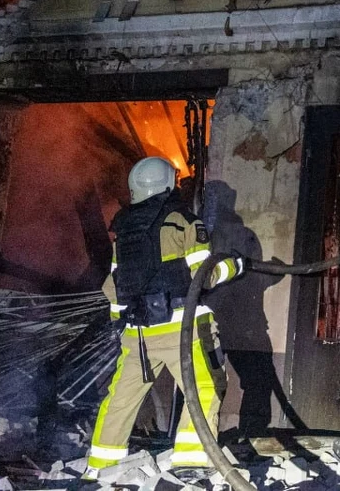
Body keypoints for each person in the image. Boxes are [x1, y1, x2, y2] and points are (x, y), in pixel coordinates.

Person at [85, 157, 243, 480]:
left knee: (121, 397)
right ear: (168, 184)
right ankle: (192, 461)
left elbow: (114, 288)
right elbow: (205, 275)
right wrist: (236, 266)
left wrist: (122, 329)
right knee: (204, 385)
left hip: (137, 334)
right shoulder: (184, 221)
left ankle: (99, 467)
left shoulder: (124, 230)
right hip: (183, 329)